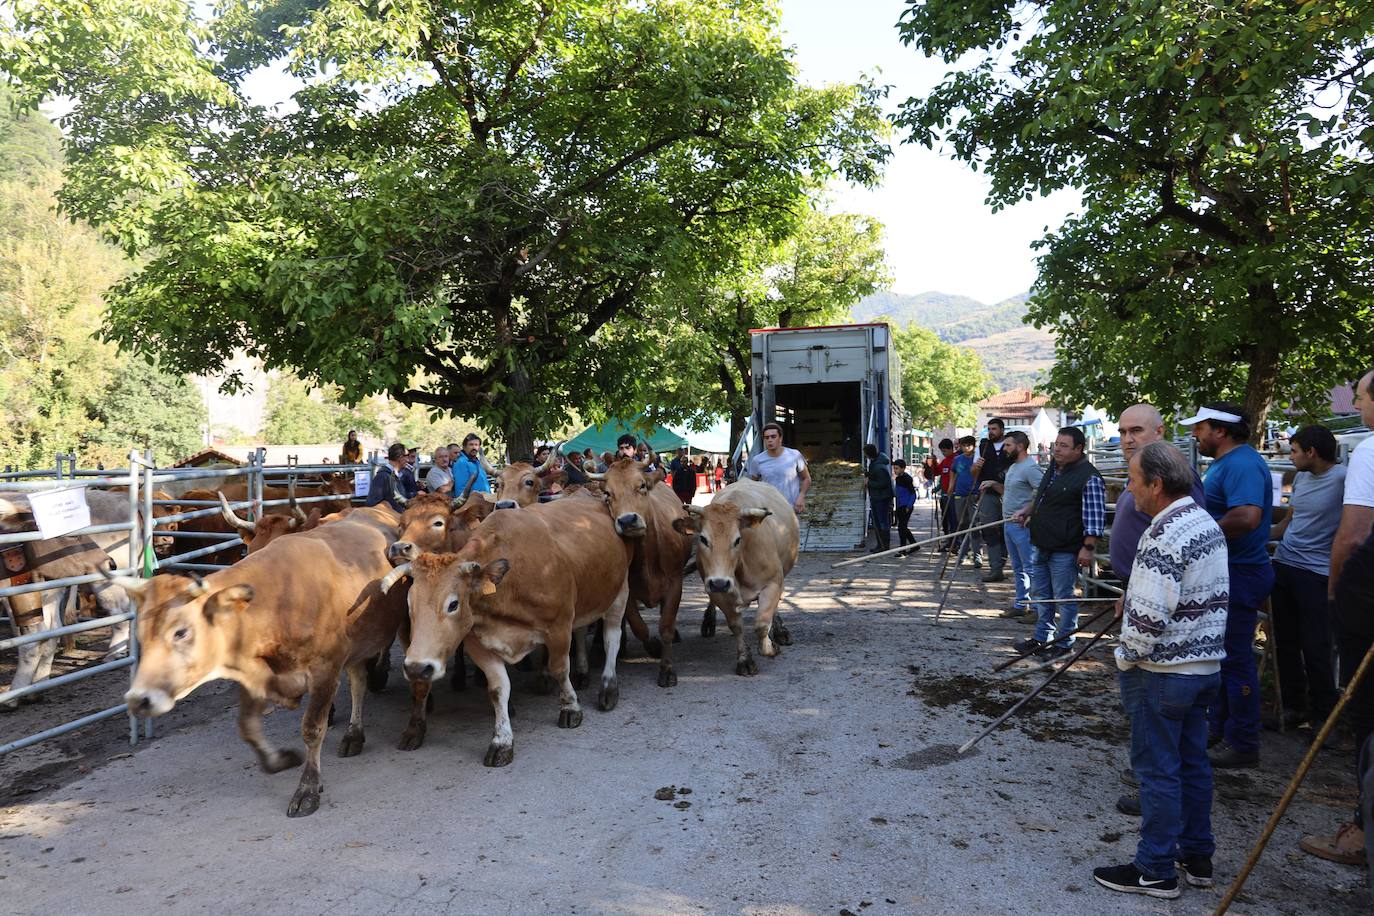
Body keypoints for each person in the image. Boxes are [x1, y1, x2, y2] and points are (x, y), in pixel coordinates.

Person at [1093, 441, 1228, 900]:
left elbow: (1149, 619)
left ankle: (1154, 869)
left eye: (1132, 482)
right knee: (1192, 765)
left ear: (1156, 484)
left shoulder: (1163, 533)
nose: (1128, 492)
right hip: (1203, 668)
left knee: (1157, 773)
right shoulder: (1204, 523)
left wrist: (1126, 656)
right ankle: (1196, 855)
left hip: (1164, 670)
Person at [1302, 368, 1374, 868]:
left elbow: (1352, 536)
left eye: (1362, 396)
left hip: (1366, 604)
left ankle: (1363, 832)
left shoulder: (1370, 451)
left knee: (1369, 714)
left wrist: (1336, 596)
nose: (1358, 404)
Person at [1185, 402, 1274, 769]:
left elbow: (1248, 516)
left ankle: (1243, 741)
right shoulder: (1228, 463)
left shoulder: (1241, 464)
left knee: (1236, 658)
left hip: (1241, 571)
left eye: (1200, 428)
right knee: (1221, 655)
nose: (1195, 434)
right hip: (1230, 570)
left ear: (1220, 431)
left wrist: (1198, 533)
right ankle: (1219, 727)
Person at [1269, 425, 1345, 733]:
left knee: (1317, 647)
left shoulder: (1344, 479)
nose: (1290, 457)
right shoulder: (1301, 478)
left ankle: (1326, 719)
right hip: (1285, 565)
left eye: (1294, 451)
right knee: (1284, 642)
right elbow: (1289, 521)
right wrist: (1256, 538)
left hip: (1317, 572)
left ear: (1311, 452)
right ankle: (1294, 707)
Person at [1013, 426, 1105, 660]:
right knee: (1042, 594)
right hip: (1042, 542)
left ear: (1079, 449)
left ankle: (1065, 642)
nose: (1057, 450)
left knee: (1063, 596)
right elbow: (1043, 497)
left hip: (1065, 547)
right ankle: (1042, 638)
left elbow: (1094, 516)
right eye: (1056, 444)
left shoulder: (1089, 477)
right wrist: (1028, 510)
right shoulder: (1054, 468)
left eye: (1064, 446)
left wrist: (1088, 546)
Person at [1111, 405, 1206, 587]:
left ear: (1159, 431)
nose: (1127, 440)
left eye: (1136, 431)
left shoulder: (1173, 471)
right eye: (1122, 432)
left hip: (1160, 586)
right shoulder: (1140, 471)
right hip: (1138, 584)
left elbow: (1193, 535)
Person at [997, 431, 1043, 621]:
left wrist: (1029, 511)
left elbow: (1043, 492)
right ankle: (1021, 603)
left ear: (1021, 446)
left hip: (1022, 525)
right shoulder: (1014, 467)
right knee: (1018, 567)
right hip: (1008, 522)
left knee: (1030, 567)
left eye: (1008, 445)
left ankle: (1039, 609)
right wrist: (992, 483)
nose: (1004, 449)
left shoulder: (1031, 468)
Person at [971, 418, 1014, 582]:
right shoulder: (982, 446)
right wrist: (976, 467)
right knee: (989, 531)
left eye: (994, 428)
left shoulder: (1011, 444)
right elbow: (973, 474)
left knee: (1007, 530)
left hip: (1009, 492)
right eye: (989, 428)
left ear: (1002, 429)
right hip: (988, 493)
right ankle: (995, 568)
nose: (991, 432)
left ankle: (1002, 563)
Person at [746, 422, 810, 514]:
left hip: (791, 509)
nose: (770, 440)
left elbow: (806, 478)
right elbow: (752, 485)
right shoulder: (757, 460)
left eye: (773, 436)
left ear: (780, 438)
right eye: (766, 438)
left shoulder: (794, 455)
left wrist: (801, 496)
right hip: (769, 511)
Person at [950, 436, 978, 564]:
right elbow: (953, 472)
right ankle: (963, 552)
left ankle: (977, 554)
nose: (966, 448)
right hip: (960, 494)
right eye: (963, 445)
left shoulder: (977, 458)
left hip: (974, 494)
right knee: (962, 524)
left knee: (975, 525)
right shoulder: (957, 459)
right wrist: (951, 486)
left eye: (969, 445)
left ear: (973, 445)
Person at [864, 443, 894, 552]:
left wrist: (869, 483)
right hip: (878, 497)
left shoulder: (879, 467)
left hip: (881, 498)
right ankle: (880, 544)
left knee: (882, 522)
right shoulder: (876, 463)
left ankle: (884, 545)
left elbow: (883, 483)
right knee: (878, 522)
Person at [365, 443, 410, 512]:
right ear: (399, 457)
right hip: (388, 520)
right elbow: (371, 504)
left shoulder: (396, 475)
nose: (408, 460)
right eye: (406, 456)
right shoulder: (382, 476)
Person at [893, 459, 917, 548]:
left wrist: (909, 506)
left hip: (905, 506)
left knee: (901, 528)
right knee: (903, 527)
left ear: (903, 468)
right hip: (900, 506)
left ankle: (903, 549)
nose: (895, 470)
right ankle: (914, 545)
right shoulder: (898, 478)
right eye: (894, 468)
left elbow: (913, 494)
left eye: (897, 468)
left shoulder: (907, 478)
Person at [936, 439, 957, 540]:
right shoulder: (944, 461)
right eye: (942, 451)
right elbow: (936, 472)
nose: (943, 453)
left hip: (954, 494)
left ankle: (955, 540)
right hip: (944, 494)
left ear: (951, 449)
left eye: (944, 451)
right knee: (945, 518)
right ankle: (949, 539)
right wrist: (931, 464)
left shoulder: (957, 459)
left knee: (954, 519)